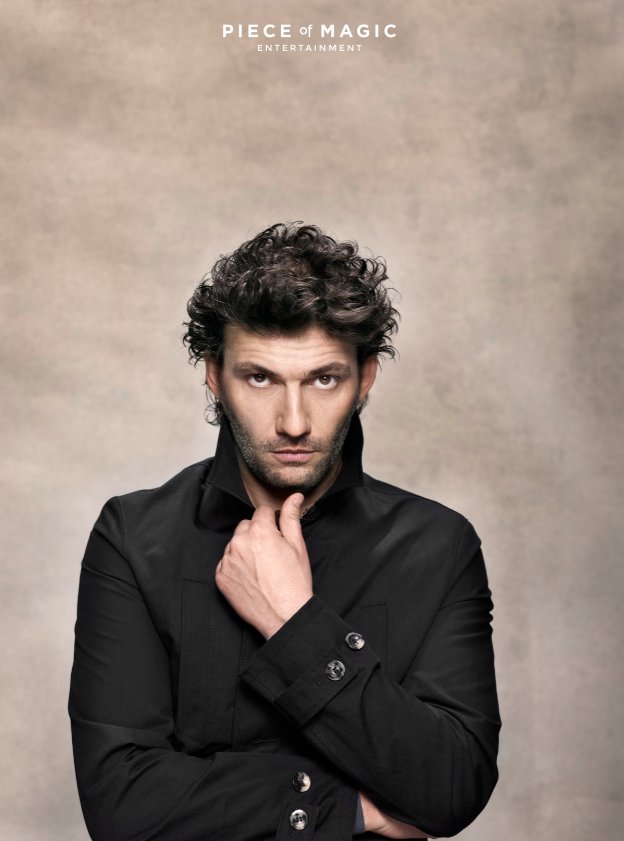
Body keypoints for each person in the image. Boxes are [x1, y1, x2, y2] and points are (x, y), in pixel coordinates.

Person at [68, 222, 501, 841]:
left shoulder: (438, 546)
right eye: (260, 378)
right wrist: (348, 808)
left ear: (366, 378)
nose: (293, 422)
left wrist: (295, 623)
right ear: (215, 376)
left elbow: (453, 785)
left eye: (324, 379)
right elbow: (121, 803)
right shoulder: (133, 538)